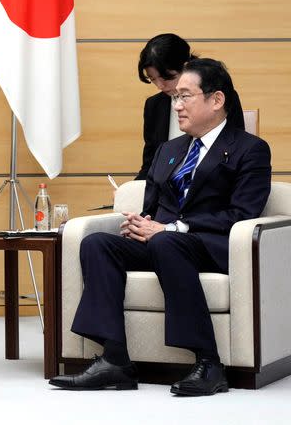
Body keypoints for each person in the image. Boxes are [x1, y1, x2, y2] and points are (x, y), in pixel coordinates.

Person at [50, 57, 271, 396]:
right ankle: (115, 360)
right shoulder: (169, 150)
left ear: (216, 100)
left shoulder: (249, 150)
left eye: (185, 96)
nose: (177, 106)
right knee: (97, 243)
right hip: (161, 243)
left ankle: (208, 362)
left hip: (210, 246)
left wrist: (173, 229)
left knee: (166, 243)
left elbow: (241, 213)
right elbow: (153, 207)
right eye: (174, 98)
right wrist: (142, 223)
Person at [135, 33, 245, 180]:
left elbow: (235, 150)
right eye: (153, 79)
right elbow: (150, 164)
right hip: (166, 190)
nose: (160, 86)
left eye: (167, 77)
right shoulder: (154, 105)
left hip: (212, 184)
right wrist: (129, 191)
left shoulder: (216, 98)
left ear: (187, 66)